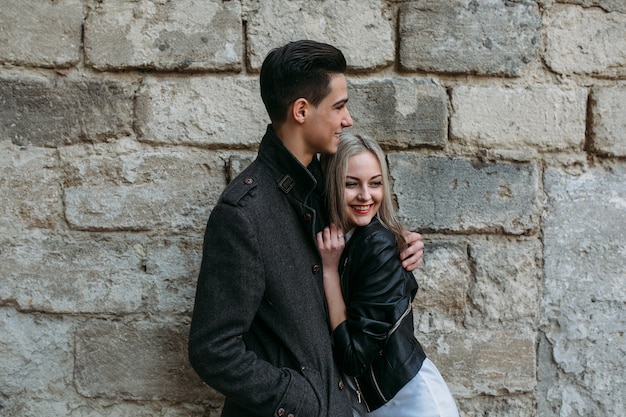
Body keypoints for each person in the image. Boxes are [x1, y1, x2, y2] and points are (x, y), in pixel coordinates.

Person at [188, 40, 424, 417]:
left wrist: (401, 244)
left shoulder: (327, 186)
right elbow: (213, 350)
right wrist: (303, 400)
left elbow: (362, 248)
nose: (348, 119)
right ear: (301, 110)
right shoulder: (244, 214)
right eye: (340, 106)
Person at [317, 133, 459, 416]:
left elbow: (355, 357)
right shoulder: (343, 239)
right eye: (351, 184)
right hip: (381, 403)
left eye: (375, 183)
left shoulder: (377, 245)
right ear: (331, 184)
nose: (366, 196)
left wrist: (330, 272)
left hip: (410, 405)